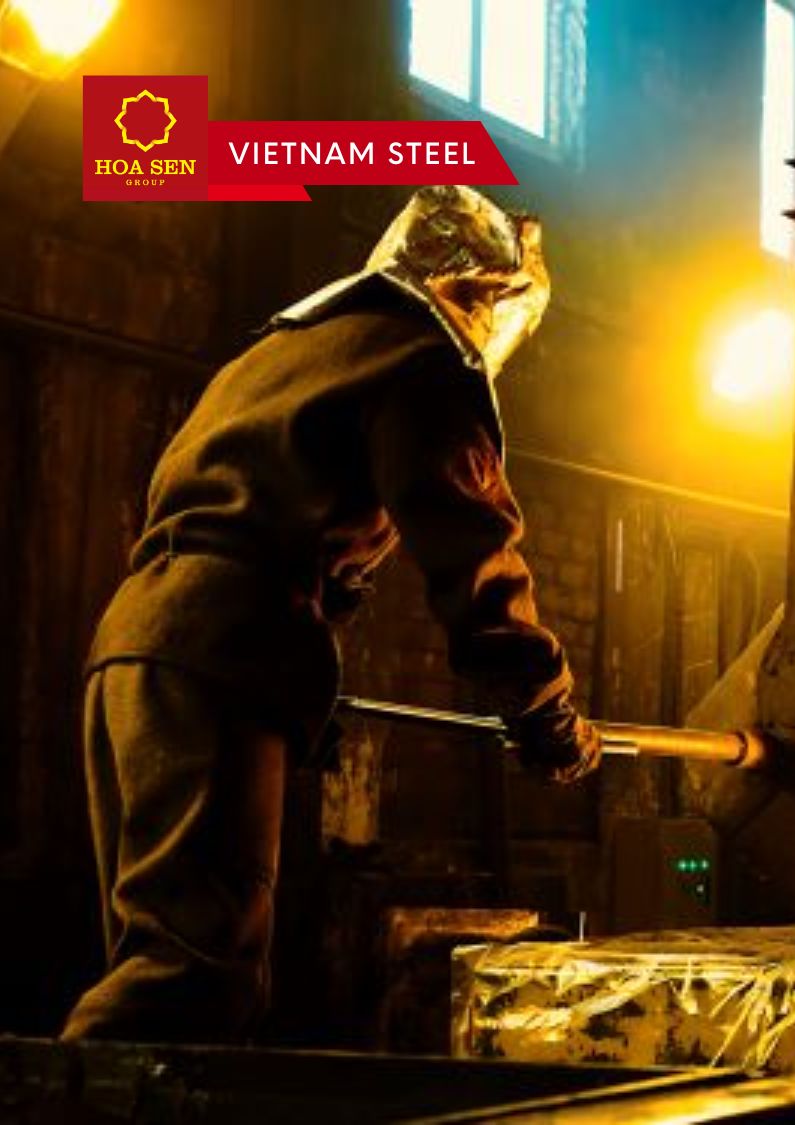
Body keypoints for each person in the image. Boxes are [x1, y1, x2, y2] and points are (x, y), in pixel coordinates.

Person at [60, 185, 600, 1042]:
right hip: (221, 652)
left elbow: (267, 509)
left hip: (137, 646)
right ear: (480, 297)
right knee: (191, 978)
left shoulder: (283, 353)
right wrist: (545, 709)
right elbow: (470, 545)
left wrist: (306, 659)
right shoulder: (422, 360)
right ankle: (51, 1101)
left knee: (161, 956)